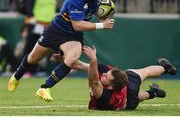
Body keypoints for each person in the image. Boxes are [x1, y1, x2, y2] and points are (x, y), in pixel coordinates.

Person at [8, 0, 115, 92]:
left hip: (73, 35)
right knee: (33, 58)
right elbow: (78, 25)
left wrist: (107, 15)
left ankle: (45, 88)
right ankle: (16, 76)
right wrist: (101, 25)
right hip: (57, 29)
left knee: (72, 59)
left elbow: (108, 7)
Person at [36, 45, 176, 110]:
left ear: (110, 86)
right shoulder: (109, 75)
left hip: (128, 100)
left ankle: (153, 93)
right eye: (107, 73)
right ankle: (166, 68)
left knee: (138, 94)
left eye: (107, 77)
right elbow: (80, 66)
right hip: (128, 89)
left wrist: (93, 60)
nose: (104, 74)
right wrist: (64, 59)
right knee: (144, 72)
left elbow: (94, 80)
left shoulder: (105, 96)